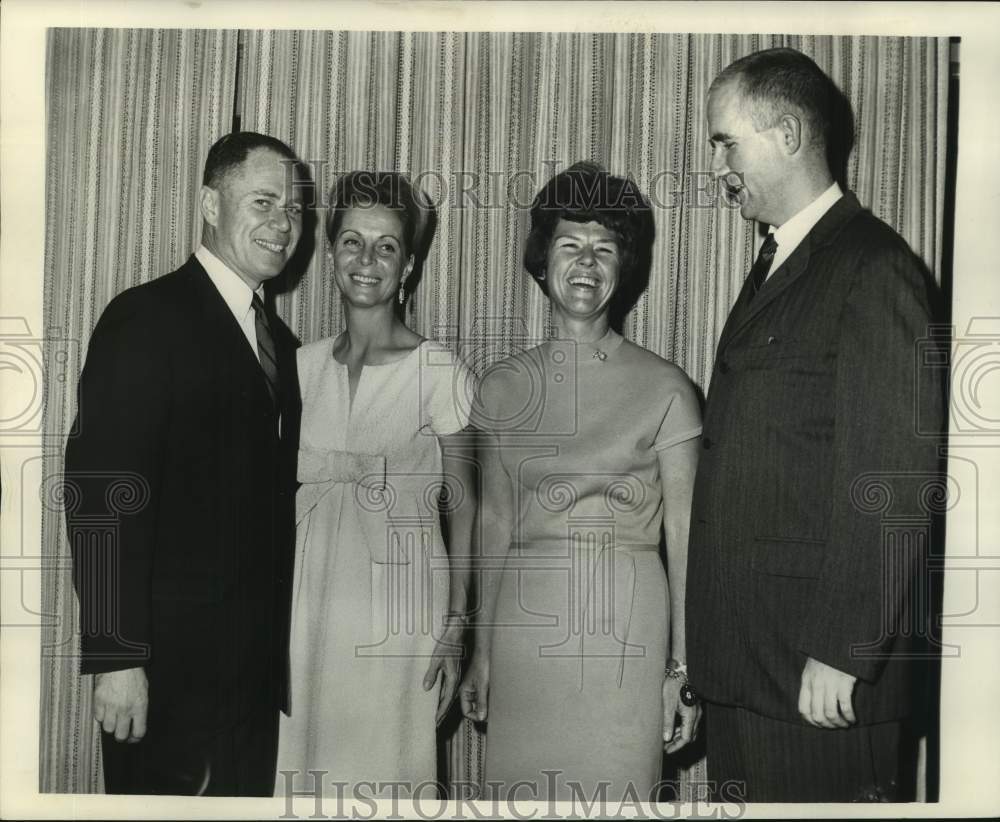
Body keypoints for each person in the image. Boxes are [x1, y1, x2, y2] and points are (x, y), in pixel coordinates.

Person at [686, 47, 946, 802]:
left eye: (726, 142)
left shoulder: (872, 268)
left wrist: (844, 649)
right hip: (753, 666)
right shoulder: (783, 261)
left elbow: (894, 476)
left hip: (818, 679)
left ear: (790, 136)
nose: (718, 166)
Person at [64, 131, 306, 795]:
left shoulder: (282, 346)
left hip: (250, 684)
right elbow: (98, 492)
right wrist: (116, 657)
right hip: (164, 676)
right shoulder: (145, 318)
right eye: (263, 202)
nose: (282, 224)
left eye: (292, 209)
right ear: (209, 203)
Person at [458, 162, 703, 802]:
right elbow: (494, 524)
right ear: (543, 260)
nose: (586, 263)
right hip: (525, 632)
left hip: (628, 628)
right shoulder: (501, 386)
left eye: (604, 247)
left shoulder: (668, 388)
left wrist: (682, 669)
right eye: (570, 244)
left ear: (625, 265)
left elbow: (684, 540)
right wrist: (481, 653)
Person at [275, 171, 477, 797]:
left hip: (401, 614)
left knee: (386, 781)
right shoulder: (297, 367)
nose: (367, 260)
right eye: (352, 241)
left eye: (386, 246)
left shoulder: (439, 370)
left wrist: (456, 627)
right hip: (304, 611)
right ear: (329, 251)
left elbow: (469, 508)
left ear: (409, 264)